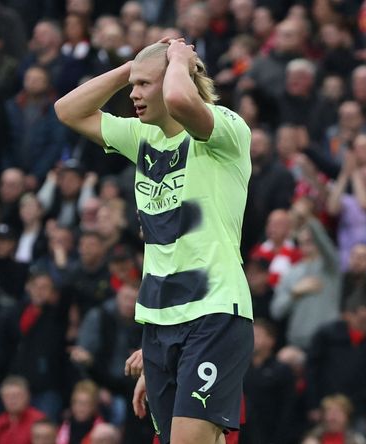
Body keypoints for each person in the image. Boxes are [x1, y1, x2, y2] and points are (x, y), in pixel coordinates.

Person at [55, 38, 254, 443]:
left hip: (213, 312)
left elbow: (182, 101)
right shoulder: (142, 138)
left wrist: (179, 59)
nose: (133, 94)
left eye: (145, 85)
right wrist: (132, 67)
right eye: (134, 84)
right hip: (160, 323)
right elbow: (68, 110)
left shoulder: (225, 131)